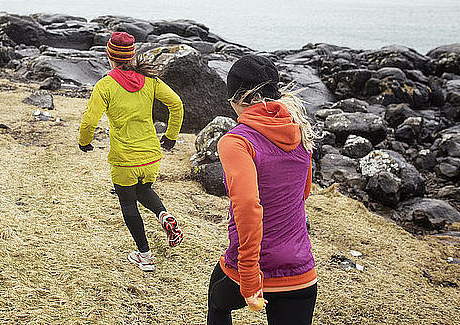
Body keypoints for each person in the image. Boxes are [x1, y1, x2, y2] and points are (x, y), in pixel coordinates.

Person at [207, 55, 318, 325]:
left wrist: (248, 276)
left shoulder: (236, 141)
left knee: (217, 303)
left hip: (256, 267)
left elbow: (247, 207)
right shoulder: (299, 130)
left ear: (239, 97)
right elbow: (303, 193)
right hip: (301, 270)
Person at [78, 31, 184, 272]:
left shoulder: (105, 85)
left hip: (125, 158)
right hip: (151, 156)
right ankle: (163, 216)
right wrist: (170, 137)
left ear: (109, 56)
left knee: (127, 202)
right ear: (132, 55)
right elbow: (176, 104)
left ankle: (144, 256)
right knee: (143, 189)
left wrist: (84, 142)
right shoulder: (150, 80)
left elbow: (89, 121)